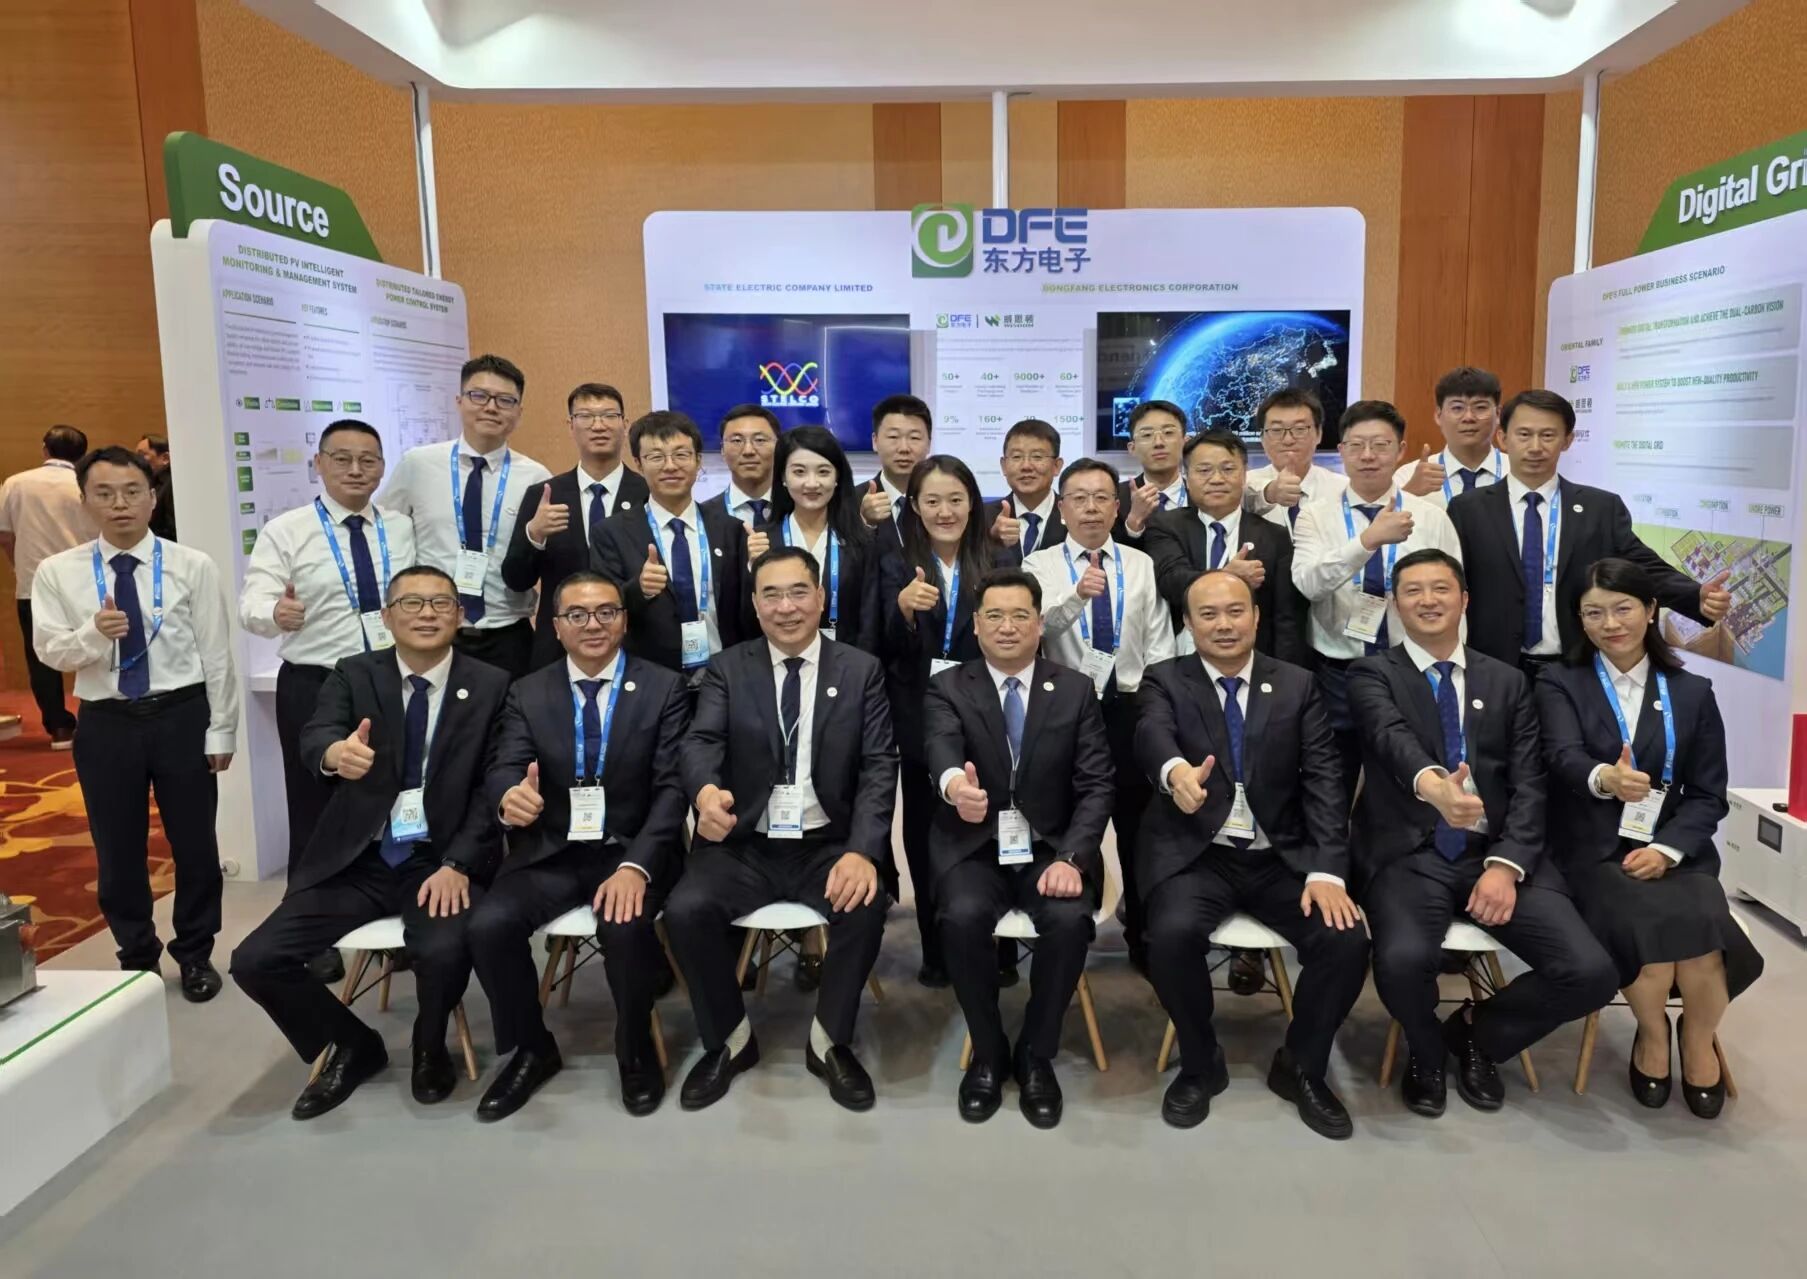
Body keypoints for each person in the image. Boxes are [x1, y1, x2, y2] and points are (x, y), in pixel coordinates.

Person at [229, 566, 509, 1120]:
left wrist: (459, 862)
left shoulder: (493, 684)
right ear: (386, 616)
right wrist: (335, 755)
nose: (426, 614)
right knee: (255, 960)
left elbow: (494, 783)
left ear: (460, 614)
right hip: (360, 856)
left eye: (440, 603)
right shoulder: (354, 673)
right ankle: (352, 1043)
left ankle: (430, 1044)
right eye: (411, 603)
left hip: (439, 860)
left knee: (443, 949)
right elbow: (316, 735)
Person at [1349, 548, 1617, 1118]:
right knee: (1401, 960)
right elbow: (1391, 738)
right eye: (1413, 591)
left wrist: (1505, 864)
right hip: (1410, 853)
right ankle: (1425, 1052)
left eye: (1441, 588)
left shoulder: (1508, 681)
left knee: (1590, 972)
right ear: (1395, 604)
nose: (1428, 600)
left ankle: (1477, 1035)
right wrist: (1435, 787)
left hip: (1495, 853)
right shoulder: (1373, 675)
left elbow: (1530, 783)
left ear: (1464, 599)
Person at [664, 546, 897, 1112]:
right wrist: (705, 793)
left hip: (828, 842)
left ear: (821, 597)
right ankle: (729, 1039)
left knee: (864, 904)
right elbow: (701, 742)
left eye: (798, 592)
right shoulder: (728, 668)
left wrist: (863, 851)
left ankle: (829, 1041)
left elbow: (878, 765)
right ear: (754, 604)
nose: (785, 607)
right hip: (748, 842)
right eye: (771, 594)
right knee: (685, 909)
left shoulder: (860, 670)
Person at [1136, 570, 1367, 1137]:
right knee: (1168, 935)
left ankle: (1302, 1065)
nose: (1224, 624)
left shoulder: (1296, 684)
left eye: (1235, 611)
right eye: (1208, 614)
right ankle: (1200, 1062)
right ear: (1188, 624)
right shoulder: (1165, 679)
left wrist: (1327, 871)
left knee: (1344, 939)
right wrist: (1175, 773)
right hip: (1199, 854)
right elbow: (1151, 734)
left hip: (1279, 855)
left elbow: (1324, 782)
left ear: (1257, 617)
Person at [1533, 557, 1761, 1118]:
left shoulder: (1692, 691)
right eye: (1593, 613)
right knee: (1653, 950)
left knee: (1704, 943)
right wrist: (1604, 778)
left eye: (1623, 608)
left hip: (1677, 851)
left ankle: (1698, 1040)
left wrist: (1666, 849)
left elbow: (1708, 793)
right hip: (1596, 850)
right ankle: (1653, 1035)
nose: (1610, 624)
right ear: (1579, 620)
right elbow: (1561, 756)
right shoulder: (1560, 682)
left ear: (1651, 609)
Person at [467, 572, 690, 1120]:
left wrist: (637, 866)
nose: (593, 624)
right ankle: (531, 1048)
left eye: (606, 612)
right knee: (488, 925)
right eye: (577, 615)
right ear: (556, 626)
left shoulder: (664, 688)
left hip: (630, 850)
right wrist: (509, 796)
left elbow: (672, 790)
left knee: (625, 926)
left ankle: (634, 1048)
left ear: (624, 620)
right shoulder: (528, 691)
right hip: (552, 850)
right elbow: (504, 766)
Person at [31, 446, 237, 1000]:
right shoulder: (58, 572)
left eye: (131, 492)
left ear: (152, 497)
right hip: (106, 722)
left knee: (195, 845)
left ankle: (195, 953)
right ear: (84, 501)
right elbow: (50, 651)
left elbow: (216, 655)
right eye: (104, 493)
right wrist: (94, 634)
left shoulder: (192, 565)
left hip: (181, 715)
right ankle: (137, 956)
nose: (119, 504)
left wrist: (222, 729)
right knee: (117, 849)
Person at [926, 569, 1113, 1127]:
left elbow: (1096, 783)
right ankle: (988, 1052)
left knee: (1069, 921)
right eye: (994, 616)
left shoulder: (1074, 688)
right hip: (974, 847)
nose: (1007, 627)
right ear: (976, 624)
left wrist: (1073, 858)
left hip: (1051, 849)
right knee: (959, 918)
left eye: (1019, 615)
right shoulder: (948, 686)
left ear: (1039, 623)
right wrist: (955, 788)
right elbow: (940, 748)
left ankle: (1036, 1052)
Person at [1447, 389, 1730, 678]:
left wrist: (1694, 596)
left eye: (1548, 435)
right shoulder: (1467, 510)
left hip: (1575, 666)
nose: (1535, 447)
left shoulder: (1600, 508)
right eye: (1524, 435)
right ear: (1503, 438)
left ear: (1567, 440)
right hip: (1492, 667)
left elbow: (1642, 567)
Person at [240, 420, 418, 882]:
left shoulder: (401, 528)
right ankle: (310, 906)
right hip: (315, 683)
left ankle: (384, 895)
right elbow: (251, 604)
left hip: (389, 679)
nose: (356, 470)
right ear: (318, 463)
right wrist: (275, 613)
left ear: (382, 467)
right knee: (313, 803)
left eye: (368, 460)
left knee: (390, 795)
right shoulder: (286, 530)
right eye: (342, 459)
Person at [1024, 458, 1175, 971]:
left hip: (1129, 708)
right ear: (1061, 508)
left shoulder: (1139, 564)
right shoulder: (1039, 565)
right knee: (1070, 825)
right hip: (1064, 711)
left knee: (1138, 830)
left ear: (1116, 507)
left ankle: (1144, 940)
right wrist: (1075, 597)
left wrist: (1156, 705)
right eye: (1079, 498)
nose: (1090, 508)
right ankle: (1068, 932)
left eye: (1101, 498)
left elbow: (1158, 641)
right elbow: (1035, 631)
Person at [877, 456, 1021, 988]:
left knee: (990, 823)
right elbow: (875, 643)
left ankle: (999, 949)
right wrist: (903, 611)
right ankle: (936, 950)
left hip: (987, 712)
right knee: (924, 833)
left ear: (972, 503)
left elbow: (1014, 636)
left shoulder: (999, 556)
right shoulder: (892, 560)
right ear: (914, 506)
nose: (945, 511)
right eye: (932, 501)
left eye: (956, 500)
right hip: (918, 715)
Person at [1292, 401, 1460, 790]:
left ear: (1400, 451)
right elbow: (1308, 585)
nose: (1368, 456)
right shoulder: (1315, 515)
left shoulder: (1431, 516)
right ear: (1341, 451)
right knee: (1334, 781)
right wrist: (1366, 541)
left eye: (1381, 445)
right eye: (1357, 445)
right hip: (1339, 671)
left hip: (1412, 667)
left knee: (1408, 777)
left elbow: (1454, 599)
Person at [381, 354, 552, 679]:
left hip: (508, 634)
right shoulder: (417, 464)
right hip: (435, 631)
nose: (491, 407)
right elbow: (386, 536)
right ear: (459, 401)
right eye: (479, 396)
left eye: (505, 400)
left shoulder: (536, 477)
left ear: (519, 412)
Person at [591, 410, 750, 680]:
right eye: (656, 457)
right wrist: (639, 589)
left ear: (698, 460)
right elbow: (601, 609)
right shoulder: (611, 533)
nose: (670, 466)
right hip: (649, 679)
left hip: (723, 677)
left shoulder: (730, 529)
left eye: (681, 455)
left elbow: (744, 611)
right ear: (638, 464)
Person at [502, 382, 649, 671]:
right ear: (570, 426)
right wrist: (534, 535)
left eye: (609, 415)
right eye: (586, 416)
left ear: (624, 424)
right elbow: (516, 580)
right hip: (558, 649)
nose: (598, 425)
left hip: (635, 643)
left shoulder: (647, 493)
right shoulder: (545, 495)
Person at [1144, 429, 1308, 665]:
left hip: (1252, 663)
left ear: (1245, 474)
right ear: (1186, 477)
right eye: (1204, 470)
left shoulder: (1275, 537)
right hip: (1180, 660)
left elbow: (1287, 620)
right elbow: (1171, 582)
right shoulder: (1166, 525)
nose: (1217, 479)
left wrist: (1284, 677)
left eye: (1228, 469)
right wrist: (1227, 575)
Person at [749, 425, 882, 654]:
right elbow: (746, 620)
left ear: (837, 477)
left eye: (823, 472)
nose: (811, 483)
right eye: (799, 472)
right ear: (783, 477)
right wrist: (752, 566)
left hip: (846, 664)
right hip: (776, 662)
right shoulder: (761, 540)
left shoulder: (861, 540)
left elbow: (870, 621)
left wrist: (860, 670)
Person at [0, 424, 93, 747]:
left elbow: (5, 535)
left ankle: (59, 728)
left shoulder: (15, 483)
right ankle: (100, 718)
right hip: (84, 581)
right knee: (97, 648)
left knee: (40, 655)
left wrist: (18, 565)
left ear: (45, 449)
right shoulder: (86, 483)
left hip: (33, 582)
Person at [1394, 367, 1509, 506]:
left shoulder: (1517, 473)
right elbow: (1384, 519)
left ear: (1498, 414)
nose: (1468, 417)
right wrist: (1410, 493)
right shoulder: (1408, 475)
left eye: (1480, 408)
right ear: (1438, 415)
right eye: (1457, 408)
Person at [1245, 388, 1347, 529]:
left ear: (1319, 434)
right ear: (1262, 437)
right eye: (1276, 430)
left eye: (1299, 429)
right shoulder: (1242, 484)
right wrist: (1269, 494)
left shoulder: (1342, 488)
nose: (1288, 440)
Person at [857, 393, 933, 558]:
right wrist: (866, 524)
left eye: (914, 437)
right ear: (875, 441)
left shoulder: (943, 503)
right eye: (893, 437)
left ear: (928, 444)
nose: (904, 448)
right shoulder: (850, 502)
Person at [983, 418, 1065, 558]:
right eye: (1017, 457)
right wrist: (992, 540)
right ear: (1003, 466)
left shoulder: (1074, 516)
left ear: (1056, 466)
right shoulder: (981, 518)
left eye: (1037, 457)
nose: (1026, 466)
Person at [1114, 399, 1188, 549]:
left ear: (1185, 442)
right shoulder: (1115, 497)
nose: (1158, 443)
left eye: (1168, 433)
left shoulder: (1203, 495)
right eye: (1147, 435)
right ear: (1132, 448)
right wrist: (1133, 523)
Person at [700, 404, 779, 527]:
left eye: (759, 440)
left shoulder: (798, 507)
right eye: (737, 441)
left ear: (779, 447)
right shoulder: (702, 517)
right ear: (722, 450)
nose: (748, 451)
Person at [136, 434, 175, 541]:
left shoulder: (173, 484)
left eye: (142, 455)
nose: (137, 461)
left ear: (165, 458)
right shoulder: (150, 482)